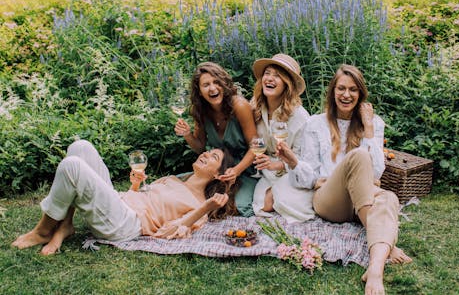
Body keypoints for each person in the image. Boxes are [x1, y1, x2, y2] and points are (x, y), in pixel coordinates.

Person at [276, 64, 412, 295]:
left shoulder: (374, 123)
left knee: (389, 197)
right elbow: (308, 177)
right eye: (341, 88)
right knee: (359, 156)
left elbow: (377, 172)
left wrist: (368, 129)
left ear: (360, 94)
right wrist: (293, 162)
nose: (346, 95)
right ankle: (387, 242)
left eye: (353, 90)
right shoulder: (316, 124)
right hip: (330, 201)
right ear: (332, 92)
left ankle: (375, 269)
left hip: (362, 200)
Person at [11, 139, 233, 255]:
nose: (205, 154)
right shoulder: (172, 179)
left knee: (72, 166)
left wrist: (205, 208)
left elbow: (166, 233)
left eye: (213, 156)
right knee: (81, 148)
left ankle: (43, 230)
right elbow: (140, 197)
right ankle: (65, 226)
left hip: (126, 224)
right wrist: (135, 185)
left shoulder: (200, 205)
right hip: (119, 203)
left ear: (217, 174)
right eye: (207, 151)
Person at [174, 62, 258, 217]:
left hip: (244, 170)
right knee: (178, 186)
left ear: (224, 84)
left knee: (239, 206)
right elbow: (200, 147)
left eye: (216, 82)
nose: (212, 88)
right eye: (206, 85)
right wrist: (187, 134)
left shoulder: (239, 106)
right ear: (199, 91)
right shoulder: (200, 110)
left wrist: (237, 170)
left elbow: (256, 146)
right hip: (216, 170)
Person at [250, 53, 314, 223]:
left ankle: (288, 195)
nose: (270, 79)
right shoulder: (256, 106)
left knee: (282, 202)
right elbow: (251, 137)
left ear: (287, 84)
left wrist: (276, 164)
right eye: (267, 73)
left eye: (278, 76)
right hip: (267, 172)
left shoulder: (300, 117)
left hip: (290, 172)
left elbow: (304, 160)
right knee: (261, 205)